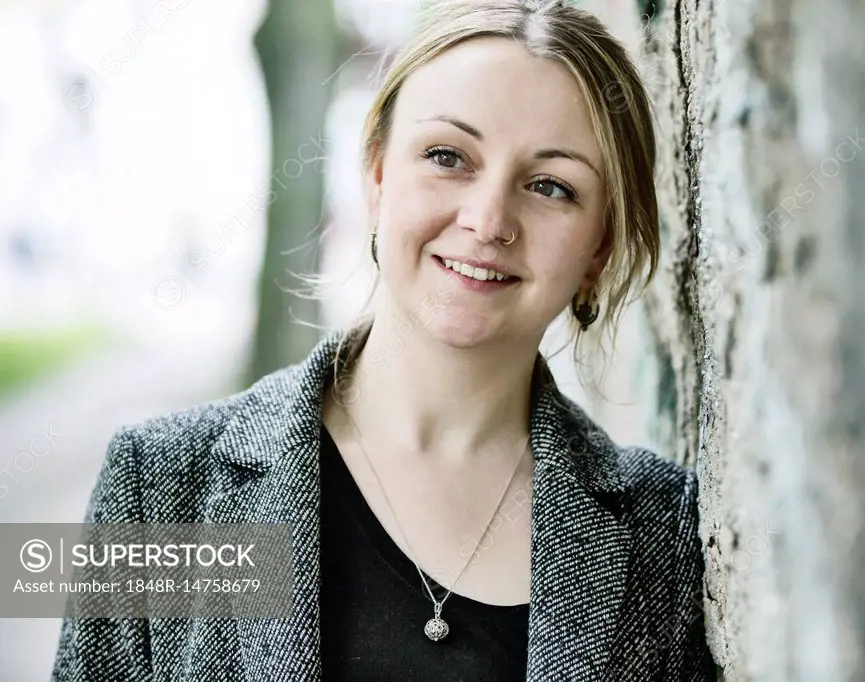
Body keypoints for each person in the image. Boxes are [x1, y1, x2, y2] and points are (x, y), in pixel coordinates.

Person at [52, 1, 716, 680]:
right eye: (448, 157)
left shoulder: (659, 533)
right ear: (376, 177)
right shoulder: (160, 487)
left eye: (551, 186)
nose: (487, 220)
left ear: (600, 245)